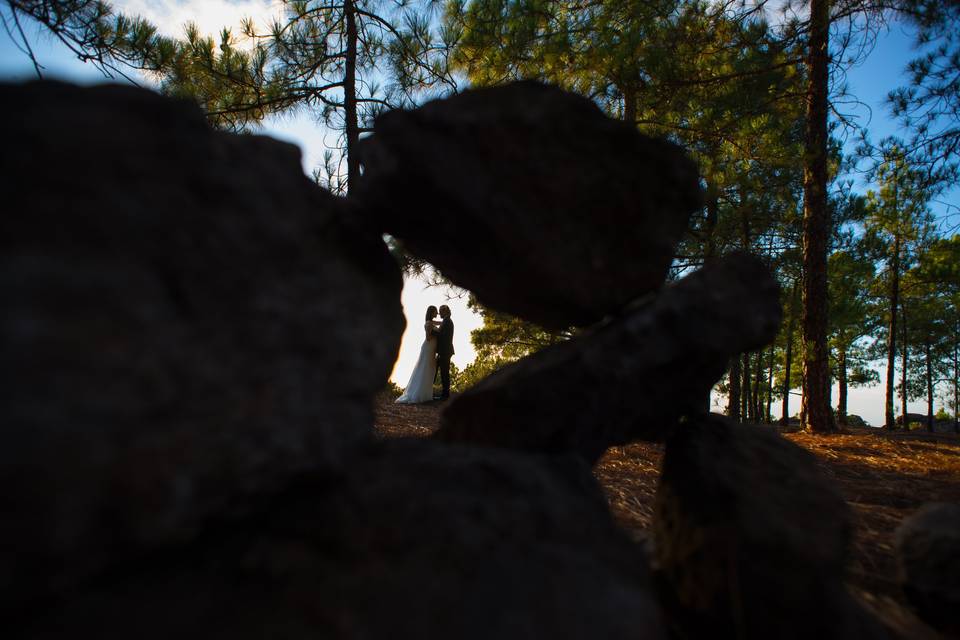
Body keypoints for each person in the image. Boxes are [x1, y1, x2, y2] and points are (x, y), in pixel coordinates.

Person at [395, 306, 442, 404]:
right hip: (428, 348)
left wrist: (444, 322)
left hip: (431, 349)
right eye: (435, 312)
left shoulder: (432, 322)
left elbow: (441, 323)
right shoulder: (428, 323)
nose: (437, 314)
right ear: (431, 312)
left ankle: (426, 394)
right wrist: (436, 333)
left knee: (430, 369)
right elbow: (428, 337)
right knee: (425, 369)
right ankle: (419, 394)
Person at [435, 305, 454, 400]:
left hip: (445, 351)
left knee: (444, 373)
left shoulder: (447, 321)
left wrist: (432, 331)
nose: (439, 314)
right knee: (439, 371)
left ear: (445, 311)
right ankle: (443, 393)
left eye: (440, 312)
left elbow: (442, 335)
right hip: (444, 351)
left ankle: (445, 395)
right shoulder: (446, 321)